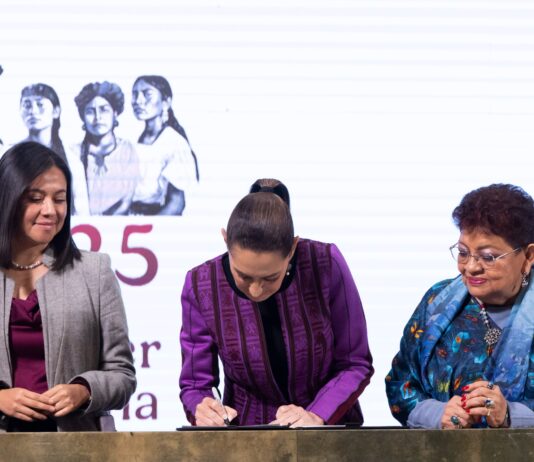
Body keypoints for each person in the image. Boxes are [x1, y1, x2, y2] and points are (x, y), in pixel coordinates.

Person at [180, 179, 373, 427]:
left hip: (329, 433)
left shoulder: (325, 264)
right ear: (225, 240)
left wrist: (316, 414)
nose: (256, 289)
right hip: (247, 437)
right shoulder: (201, 283)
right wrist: (204, 407)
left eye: (271, 277)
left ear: (292, 248)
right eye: (244, 276)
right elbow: (196, 383)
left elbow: (354, 362)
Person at [0, 141, 136, 431]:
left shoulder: (94, 271)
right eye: (35, 198)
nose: (49, 210)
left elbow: (122, 374)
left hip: (76, 444)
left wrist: (85, 390)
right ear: (8, 199)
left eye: (59, 199)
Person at [386, 184, 534, 429]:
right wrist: (438, 414)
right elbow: (401, 384)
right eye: (464, 252)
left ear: (528, 256)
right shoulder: (437, 302)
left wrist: (511, 415)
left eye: (488, 257)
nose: (471, 267)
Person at [130, 75, 198, 215]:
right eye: (135, 94)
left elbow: (176, 203)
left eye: (147, 94)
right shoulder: (137, 140)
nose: (138, 101)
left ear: (166, 102)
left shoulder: (174, 143)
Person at [71, 81, 139, 215]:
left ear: (115, 113)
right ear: (83, 117)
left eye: (104, 110)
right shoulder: (73, 152)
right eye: (90, 111)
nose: (98, 118)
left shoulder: (127, 150)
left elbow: (127, 199)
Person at [19, 83, 68, 164]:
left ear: (56, 111)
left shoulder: (71, 158)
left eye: (40, 104)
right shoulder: (13, 153)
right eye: (27, 105)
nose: (33, 111)